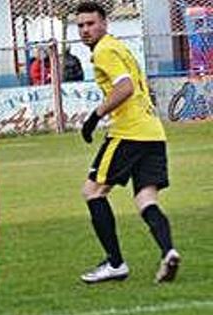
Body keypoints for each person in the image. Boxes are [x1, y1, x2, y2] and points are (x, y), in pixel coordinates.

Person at [76, 1, 180, 283]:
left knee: (93, 192)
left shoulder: (104, 51)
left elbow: (125, 88)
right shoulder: (119, 47)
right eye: (81, 25)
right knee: (146, 198)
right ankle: (169, 251)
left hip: (129, 132)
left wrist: (94, 117)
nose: (85, 30)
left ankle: (116, 263)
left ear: (104, 23)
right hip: (153, 132)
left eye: (90, 23)